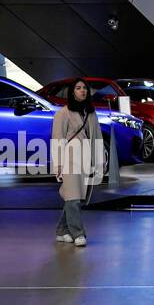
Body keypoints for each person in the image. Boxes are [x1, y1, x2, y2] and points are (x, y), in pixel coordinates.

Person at [52, 78, 102, 247]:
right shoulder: (63, 113)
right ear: (72, 92)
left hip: (85, 159)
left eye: (84, 88)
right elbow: (57, 139)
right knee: (72, 197)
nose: (82, 91)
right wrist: (57, 165)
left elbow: (97, 138)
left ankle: (61, 230)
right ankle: (78, 233)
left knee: (76, 197)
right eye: (78, 88)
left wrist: (98, 161)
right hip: (69, 159)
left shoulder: (91, 113)